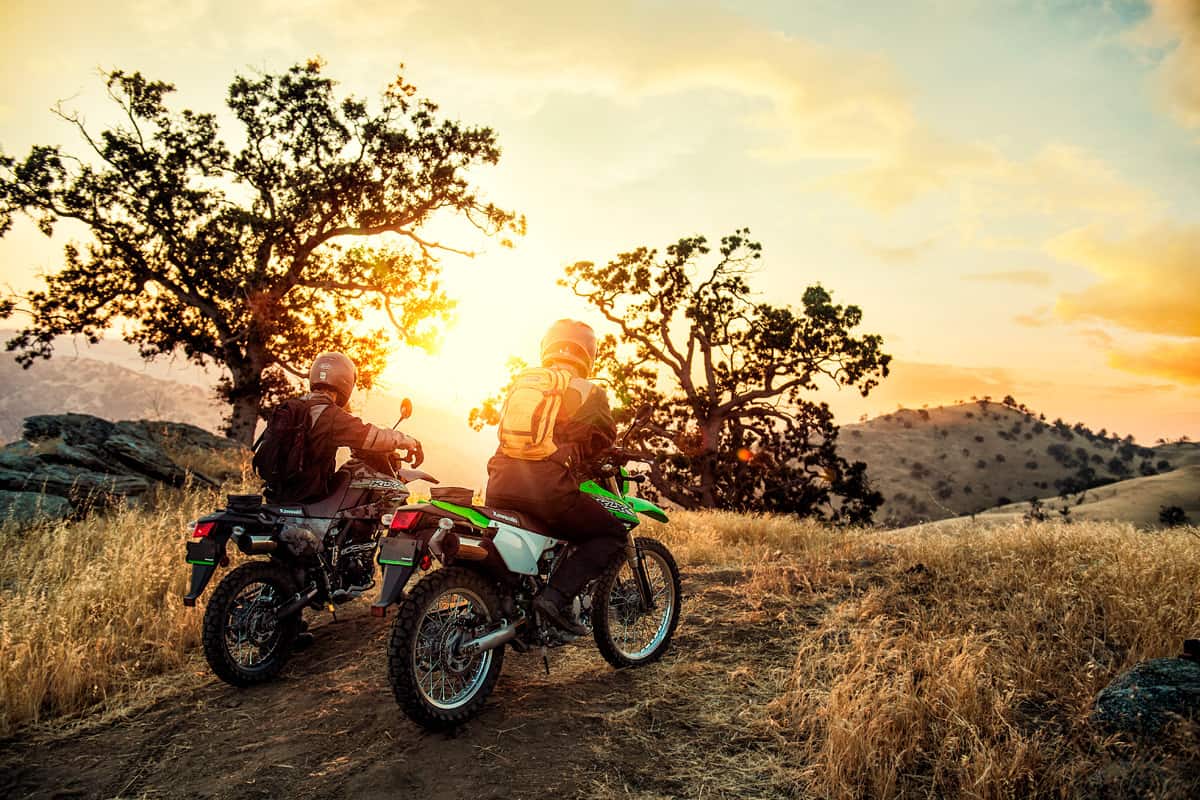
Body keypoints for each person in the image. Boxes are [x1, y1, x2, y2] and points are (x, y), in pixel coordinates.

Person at [485, 320, 628, 636]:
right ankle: (556, 598)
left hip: (498, 483)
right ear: (587, 353)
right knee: (611, 534)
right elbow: (603, 439)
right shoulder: (588, 390)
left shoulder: (523, 384)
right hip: (548, 490)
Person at [277, 351, 423, 504]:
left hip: (279, 494)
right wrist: (410, 442)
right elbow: (372, 436)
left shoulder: (293, 407)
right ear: (345, 381)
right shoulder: (330, 416)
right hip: (308, 495)